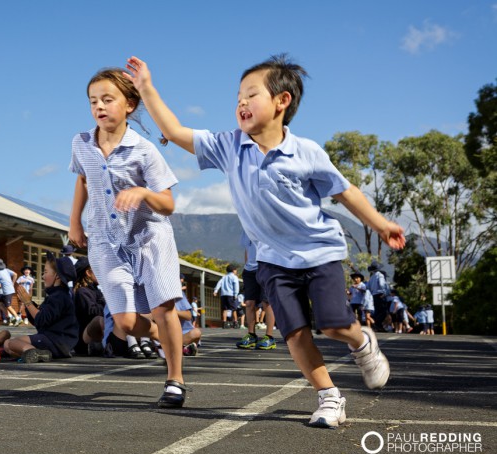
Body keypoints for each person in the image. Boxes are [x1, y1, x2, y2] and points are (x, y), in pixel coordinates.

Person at [126, 54, 405, 428]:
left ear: (282, 101)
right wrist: (146, 87)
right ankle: (329, 396)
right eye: (238, 96)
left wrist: (381, 223)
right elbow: (175, 131)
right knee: (293, 334)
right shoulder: (229, 146)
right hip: (273, 259)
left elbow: (345, 192)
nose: (241, 102)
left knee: (334, 325)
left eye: (251, 94)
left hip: (319, 253)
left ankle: (361, 342)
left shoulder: (305, 152)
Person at [68, 67, 187, 408]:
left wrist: (142, 193)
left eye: (107, 99)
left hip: (150, 237)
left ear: (130, 105)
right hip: (105, 241)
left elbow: (168, 203)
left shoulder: (145, 150)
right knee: (124, 321)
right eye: (93, 101)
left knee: (163, 309)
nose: (99, 107)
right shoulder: (81, 143)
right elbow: (83, 179)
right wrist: (75, 222)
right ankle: (164, 336)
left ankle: (175, 380)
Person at [5, 251, 79, 362]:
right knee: (7, 345)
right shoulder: (59, 295)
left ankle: (33, 351)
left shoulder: (58, 296)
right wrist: (28, 303)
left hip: (55, 341)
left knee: (12, 342)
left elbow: (41, 319)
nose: (43, 276)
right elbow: (39, 319)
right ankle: (34, 353)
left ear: (57, 276)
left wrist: (28, 303)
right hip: (58, 341)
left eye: (45, 272)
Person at [237, 231, 276, 350]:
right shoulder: (245, 228)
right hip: (249, 270)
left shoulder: (265, 224)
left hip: (266, 267)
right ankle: (251, 335)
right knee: (249, 303)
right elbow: (247, 249)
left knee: (267, 303)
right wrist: (246, 266)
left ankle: (269, 337)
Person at [73, 256, 107, 356]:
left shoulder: (95, 291)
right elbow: (92, 312)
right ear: (88, 273)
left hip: (94, 333)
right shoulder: (82, 292)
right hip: (84, 339)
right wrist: (105, 302)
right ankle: (94, 346)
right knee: (98, 320)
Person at [0, 258, 21, 326]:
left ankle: (17, 318)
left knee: (8, 306)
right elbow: (15, 274)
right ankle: (9, 316)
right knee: (0, 303)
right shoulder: (6, 270)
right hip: (8, 290)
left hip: (7, 291)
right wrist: (12, 283)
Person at [367, 261, 390, 332]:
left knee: (377, 311)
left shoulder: (372, 277)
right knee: (383, 311)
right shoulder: (380, 275)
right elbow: (382, 284)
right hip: (381, 294)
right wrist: (384, 293)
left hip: (374, 295)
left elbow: (368, 287)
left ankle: (378, 326)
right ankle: (377, 324)